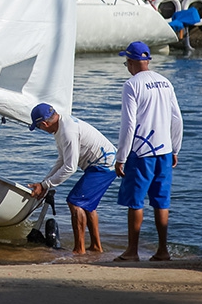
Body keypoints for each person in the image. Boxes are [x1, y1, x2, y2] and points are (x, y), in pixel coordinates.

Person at [114, 41, 183, 262]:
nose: (126, 65)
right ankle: (163, 250)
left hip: (141, 151)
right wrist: (175, 148)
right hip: (164, 150)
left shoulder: (131, 85)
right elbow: (177, 119)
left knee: (136, 201)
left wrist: (121, 157)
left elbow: (128, 125)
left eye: (126, 61)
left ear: (132, 62)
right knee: (161, 201)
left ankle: (132, 251)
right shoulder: (165, 82)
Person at [28, 103, 117, 254]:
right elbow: (61, 160)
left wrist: (45, 185)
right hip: (103, 163)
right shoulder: (61, 127)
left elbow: (70, 167)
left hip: (105, 164)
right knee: (87, 205)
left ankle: (79, 250)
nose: (40, 130)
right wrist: (44, 184)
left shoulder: (68, 131)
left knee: (75, 202)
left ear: (44, 123)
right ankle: (96, 247)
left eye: (38, 127)